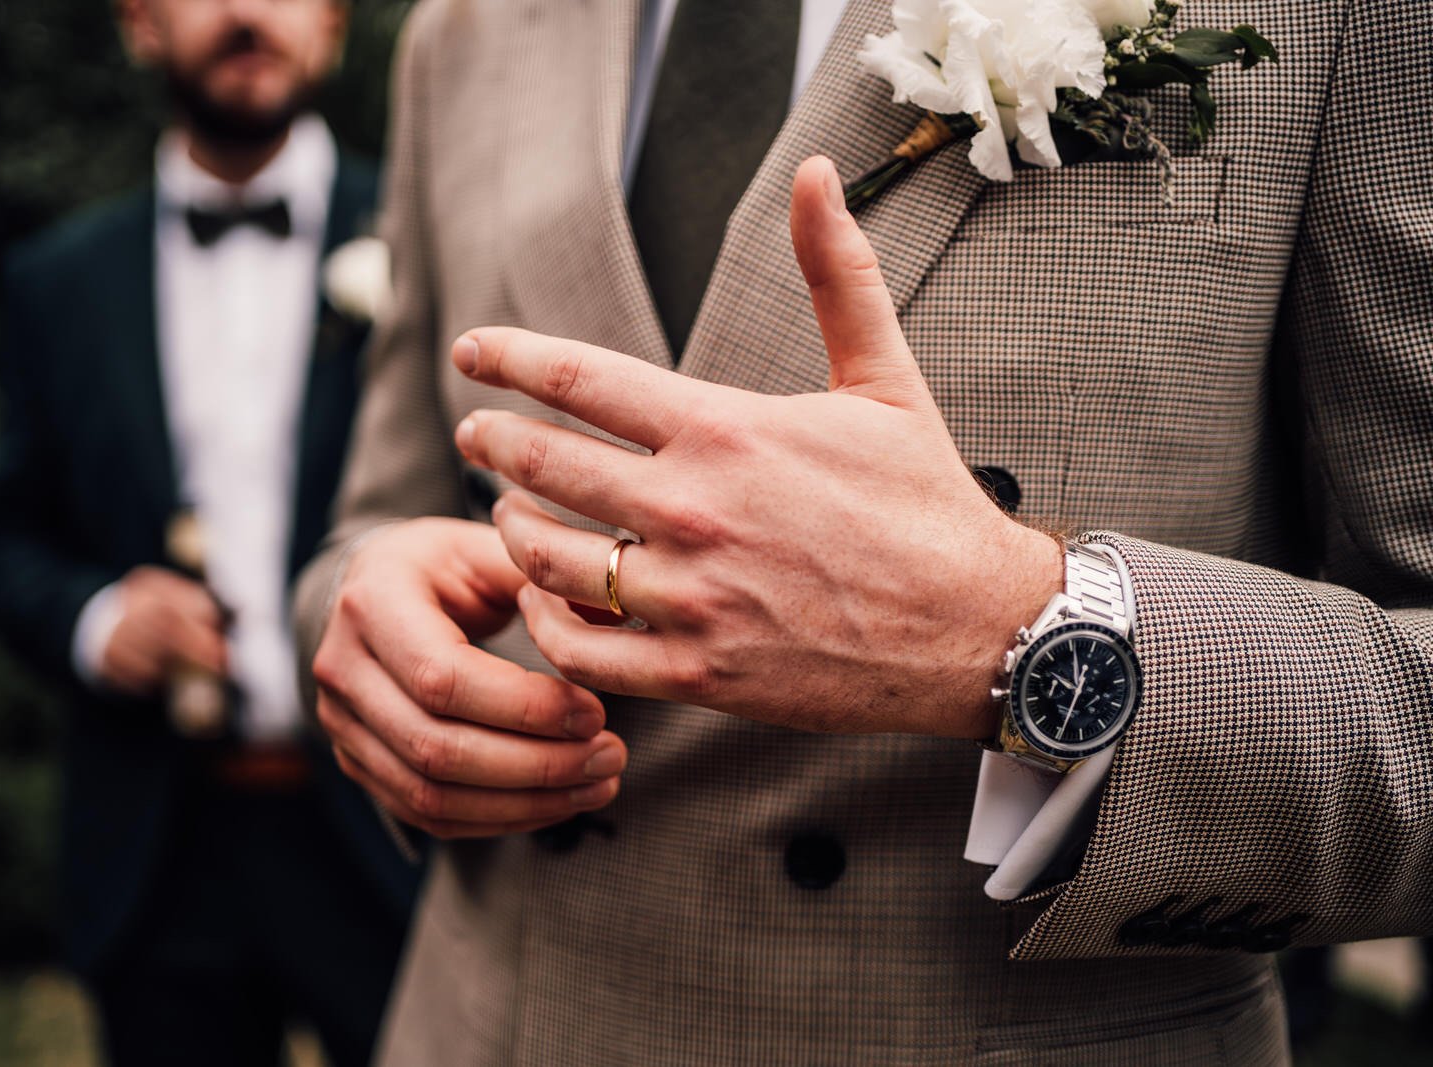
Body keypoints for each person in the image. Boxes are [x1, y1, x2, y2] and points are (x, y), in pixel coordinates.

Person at [300, 0, 1432, 1062]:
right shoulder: (459, 27)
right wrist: (364, 608)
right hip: (487, 1019)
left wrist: (1029, 633)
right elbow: (378, 509)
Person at [0, 1, 416, 1063]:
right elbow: (1, 537)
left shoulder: (423, 231)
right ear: (140, 24)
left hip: (387, 827)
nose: (247, 12)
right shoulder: (57, 281)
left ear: (336, 27)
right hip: (160, 846)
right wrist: (94, 617)